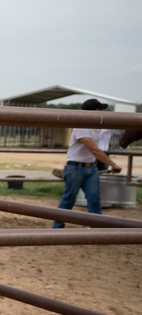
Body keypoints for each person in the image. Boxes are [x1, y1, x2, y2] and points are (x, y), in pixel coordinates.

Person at [52, 98, 122, 228]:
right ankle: (57, 227)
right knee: (68, 200)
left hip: (89, 168)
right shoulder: (82, 127)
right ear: (93, 111)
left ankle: (96, 228)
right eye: (100, 110)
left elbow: (95, 150)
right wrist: (113, 164)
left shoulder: (96, 128)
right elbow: (94, 149)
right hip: (75, 168)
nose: (102, 113)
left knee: (94, 200)